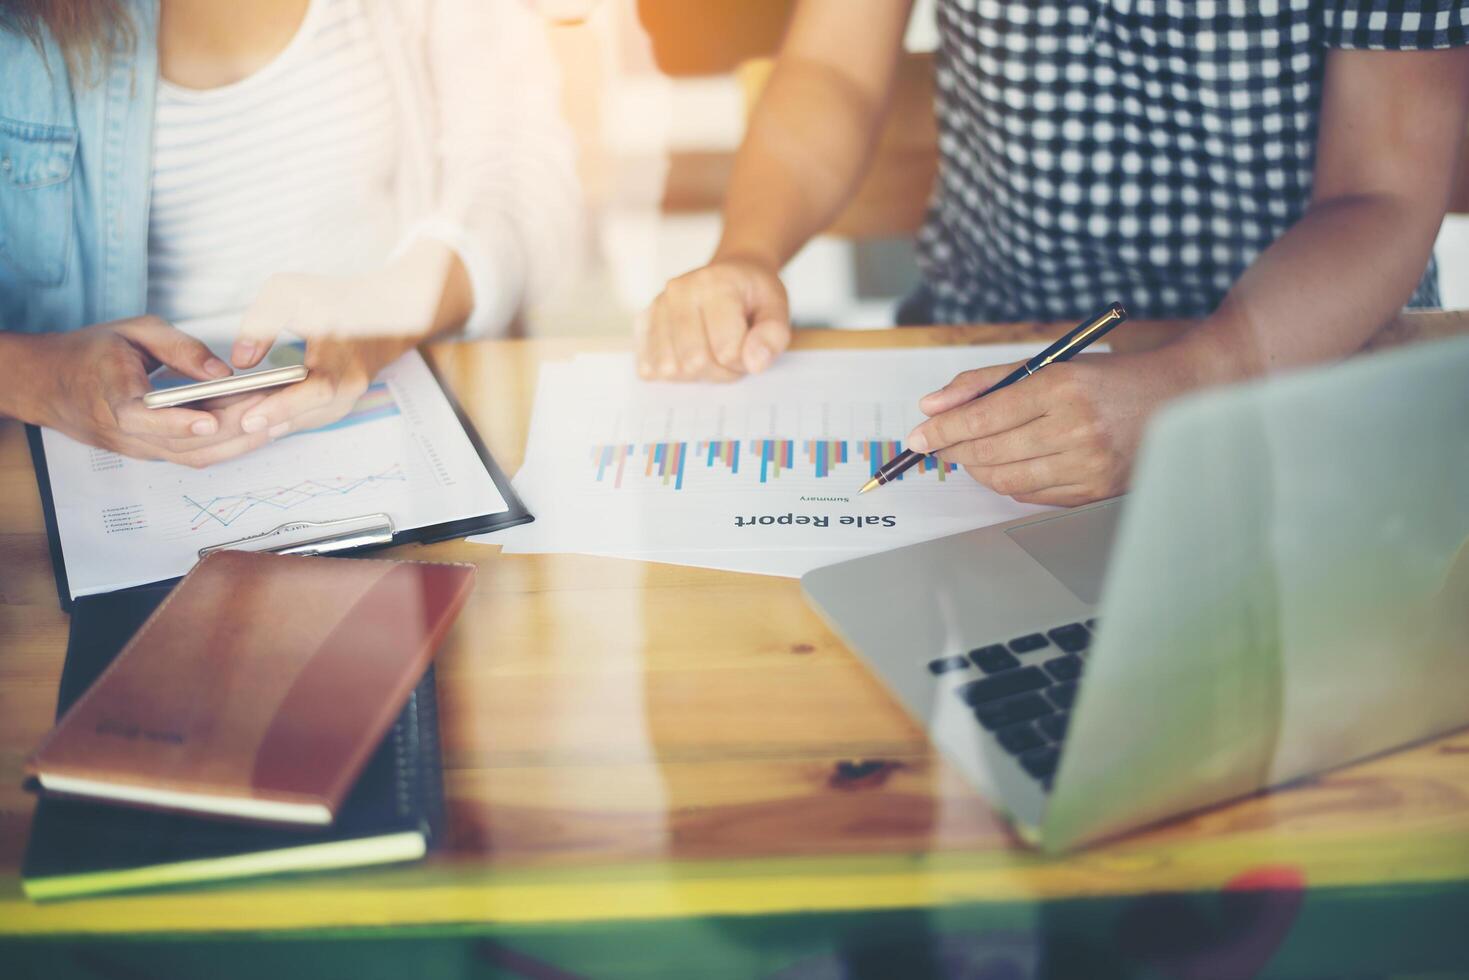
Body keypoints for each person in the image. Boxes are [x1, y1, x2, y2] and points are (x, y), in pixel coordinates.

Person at [639, 0, 1469, 506]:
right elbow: (830, 69)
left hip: (1313, 369)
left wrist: (1197, 379)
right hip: (994, 348)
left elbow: (1384, 196)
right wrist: (748, 249)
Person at [0, 0, 580, 466]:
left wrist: (391, 310)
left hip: (400, 440)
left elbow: (525, 178)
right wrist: (38, 377)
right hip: (85, 485)